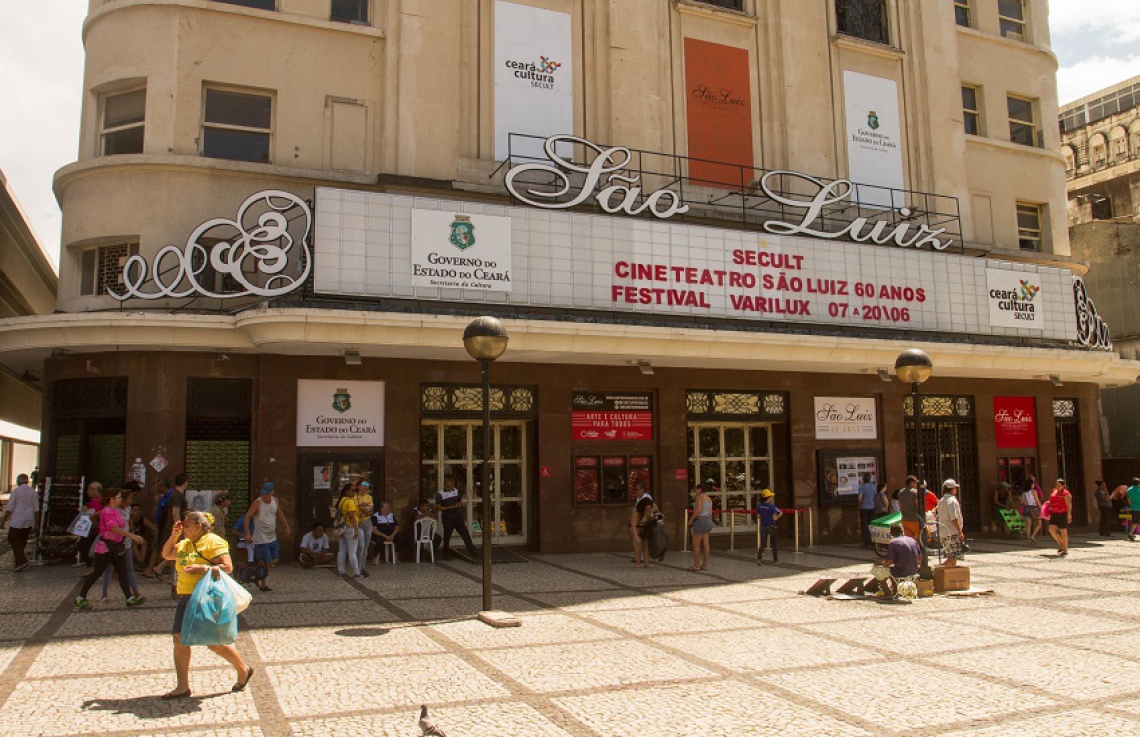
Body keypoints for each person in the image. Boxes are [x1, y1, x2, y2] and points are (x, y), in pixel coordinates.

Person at [159, 511, 253, 700]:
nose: (183, 528)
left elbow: (227, 567)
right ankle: (183, 686)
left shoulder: (213, 542)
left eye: (186, 525)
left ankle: (243, 669)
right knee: (179, 638)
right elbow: (167, 554)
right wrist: (174, 535)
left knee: (213, 642)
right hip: (186, 597)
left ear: (198, 526)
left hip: (207, 598)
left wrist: (202, 569)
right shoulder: (185, 543)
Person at [74, 488, 146, 609]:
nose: (121, 499)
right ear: (112, 499)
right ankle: (81, 596)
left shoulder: (115, 511)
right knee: (98, 572)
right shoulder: (107, 512)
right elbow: (114, 528)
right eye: (119, 497)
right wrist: (132, 536)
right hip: (106, 547)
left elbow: (122, 525)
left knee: (122, 572)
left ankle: (129, 597)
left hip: (116, 546)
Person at [243, 482, 290, 591]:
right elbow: (247, 517)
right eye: (263, 494)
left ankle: (256, 573)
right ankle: (262, 583)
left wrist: (286, 526)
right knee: (265, 561)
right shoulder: (257, 503)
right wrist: (247, 533)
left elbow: (280, 513)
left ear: (272, 493)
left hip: (272, 537)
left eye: (267, 494)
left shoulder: (275, 501)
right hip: (261, 539)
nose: (264, 496)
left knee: (275, 559)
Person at [871, 524, 921, 599]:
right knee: (892, 571)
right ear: (902, 531)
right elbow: (920, 558)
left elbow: (890, 561)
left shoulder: (893, 542)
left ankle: (887, 592)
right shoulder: (912, 540)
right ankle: (895, 591)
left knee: (878, 570)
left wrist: (881, 563)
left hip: (901, 571)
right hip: (914, 570)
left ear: (891, 533)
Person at [2, 473, 39, 572]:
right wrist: (37, 523)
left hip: (17, 520)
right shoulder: (33, 492)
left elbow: (9, 508)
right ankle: (19, 562)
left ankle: (22, 560)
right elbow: (36, 510)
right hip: (29, 520)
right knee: (23, 540)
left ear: (18, 481)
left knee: (13, 539)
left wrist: (3, 520)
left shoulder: (16, 491)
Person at [435, 476, 477, 561]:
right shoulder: (440, 494)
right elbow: (438, 507)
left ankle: (473, 551)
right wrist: (448, 507)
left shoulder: (455, 491)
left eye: (451, 486)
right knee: (447, 536)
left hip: (457, 516)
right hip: (448, 517)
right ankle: (446, 554)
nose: (450, 488)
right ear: (445, 486)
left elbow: (460, 501)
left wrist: (459, 504)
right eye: (448, 487)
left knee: (465, 534)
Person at [145, 478, 175, 579]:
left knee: (162, 547)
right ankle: (153, 569)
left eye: (158, 486)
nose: (156, 488)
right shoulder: (163, 496)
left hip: (166, 526)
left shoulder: (171, 496)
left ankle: (159, 569)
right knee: (157, 546)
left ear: (163, 486)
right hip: (160, 525)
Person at [76, 482, 104, 571]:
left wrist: (86, 511)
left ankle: (91, 567)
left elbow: (95, 515)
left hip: (93, 529)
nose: (87, 491)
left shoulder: (94, 502)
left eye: (89, 489)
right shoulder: (99, 501)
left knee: (84, 547)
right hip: (95, 529)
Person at [936, 479, 965, 567]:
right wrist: (960, 532)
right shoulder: (952, 501)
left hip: (943, 532)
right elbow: (954, 518)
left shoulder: (941, 500)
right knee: (952, 558)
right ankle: (941, 570)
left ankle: (944, 570)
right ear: (952, 489)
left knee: (950, 556)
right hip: (952, 532)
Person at [336, 483, 362, 578]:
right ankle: (356, 572)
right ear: (346, 491)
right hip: (350, 527)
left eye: (355, 490)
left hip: (342, 527)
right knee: (352, 551)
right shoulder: (350, 502)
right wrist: (356, 529)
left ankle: (341, 571)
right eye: (352, 490)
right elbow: (352, 516)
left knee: (342, 550)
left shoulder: (341, 501)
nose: (354, 492)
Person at [688, 482, 713, 571]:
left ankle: (697, 565)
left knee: (696, 543)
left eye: (696, 488)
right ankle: (705, 564)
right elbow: (710, 512)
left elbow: (698, 510)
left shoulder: (699, 497)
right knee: (706, 543)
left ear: (700, 489)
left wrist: (691, 519)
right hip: (708, 520)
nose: (695, 490)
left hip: (700, 521)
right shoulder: (708, 498)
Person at [631, 490, 657, 568]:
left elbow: (656, 513)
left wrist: (653, 517)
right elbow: (633, 524)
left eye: (649, 508)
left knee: (647, 546)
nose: (647, 509)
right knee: (639, 545)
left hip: (647, 528)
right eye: (646, 508)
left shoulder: (651, 509)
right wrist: (636, 536)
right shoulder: (637, 511)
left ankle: (647, 563)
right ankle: (638, 563)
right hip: (638, 528)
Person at [756, 489, 782, 565]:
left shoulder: (759, 506)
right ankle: (775, 560)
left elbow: (758, 516)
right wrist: (780, 514)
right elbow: (775, 518)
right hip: (772, 527)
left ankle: (759, 559)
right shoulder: (772, 506)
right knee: (774, 544)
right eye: (770, 496)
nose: (771, 498)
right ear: (768, 497)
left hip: (763, 526)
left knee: (762, 544)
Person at [1047, 478, 1073, 556]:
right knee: (1051, 529)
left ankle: (1065, 549)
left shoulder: (1066, 494)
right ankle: (1062, 544)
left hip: (1062, 513)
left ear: (1063, 486)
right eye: (1056, 485)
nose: (1057, 486)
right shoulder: (1054, 491)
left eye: (1059, 485)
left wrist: (1069, 514)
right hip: (1054, 513)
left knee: (1063, 531)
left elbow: (1068, 505)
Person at [355, 481, 375, 570]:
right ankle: (358, 567)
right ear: (358, 487)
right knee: (361, 546)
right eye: (363, 485)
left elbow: (371, 511)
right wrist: (362, 508)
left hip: (367, 521)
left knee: (366, 546)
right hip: (358, 522)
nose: (365, 486)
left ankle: (362, 567)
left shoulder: (369, 497)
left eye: (367, 485)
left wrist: (366, 512)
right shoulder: (355, 497)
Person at [898, 475, 921, 541]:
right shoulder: (915, 492)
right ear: (912, 483)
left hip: (905, 519)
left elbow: (900, 506)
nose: (916, 484)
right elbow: (918, 505)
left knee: (909, 540)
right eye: (915, 482)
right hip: (915, 519)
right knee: (921, 538)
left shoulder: (900, 492)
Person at [857, 473, 878, 548]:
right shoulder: (874, 487)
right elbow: (875, 496)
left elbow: (859, 498)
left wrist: (859, 505)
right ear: (870, 479)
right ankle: (873, 541)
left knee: (864, 526)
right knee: (872, 525)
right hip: (872, 507)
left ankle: (866, 542)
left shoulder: (861, 487)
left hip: (864, 508)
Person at [1021, 477, 1043, 545]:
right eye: (1033, 484)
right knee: (1039, 523)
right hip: (1033, 508)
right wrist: (1042, 508)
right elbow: (1037, 501)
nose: (1034, 485)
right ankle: (1033, 536)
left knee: (1028, 525)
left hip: (1027, 508)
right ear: (1031, 485)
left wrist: (1026, 502)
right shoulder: (1034, 491)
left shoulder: (1024, 493)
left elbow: (1022, 502)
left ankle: (1029, 541)